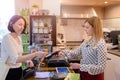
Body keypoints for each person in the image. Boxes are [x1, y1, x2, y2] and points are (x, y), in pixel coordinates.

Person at [0, 15, 47, 80]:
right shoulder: (7, 38)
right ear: (11, 24)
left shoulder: (19, 38)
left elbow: (19, 55)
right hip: (8, 71)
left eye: (23, 25)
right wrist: (36, 54)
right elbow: (16, 59)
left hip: (18, 70)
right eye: (20, 24)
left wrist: (27, 61)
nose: (22, 27)